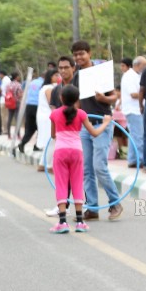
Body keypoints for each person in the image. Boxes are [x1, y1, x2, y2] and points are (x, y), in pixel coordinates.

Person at [49, 84, 112, 234]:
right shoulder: (82, 114)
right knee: (77, 183)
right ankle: (80, 222)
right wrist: (105, 123)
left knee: (62, 185)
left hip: (60, 152)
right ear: (78, 99)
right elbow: (95, 133)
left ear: (61, 98)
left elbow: (53, 135)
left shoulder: (54, 114)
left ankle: (62, 222)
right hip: (77, 152)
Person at [71, 42, 123, 221]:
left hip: (102, 122)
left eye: (82, 54)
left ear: (89, 53)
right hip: (85, 125)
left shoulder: (100, 72)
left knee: (99, 166)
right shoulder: (78, 76)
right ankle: (92, 207)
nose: (79, 57)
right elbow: (76, 101)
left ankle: (115, 203)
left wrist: (104, 98)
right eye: (76, 55)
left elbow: (115, 96)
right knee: (86, 168)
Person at [120, 56, 146, 168]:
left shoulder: (137, 75)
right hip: (133, 109)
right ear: (137, 65)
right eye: (144, 66)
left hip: (136, 109)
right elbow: (133, 94)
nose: (145, 68)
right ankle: (140, 159)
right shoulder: (129, 76)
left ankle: (132, 159)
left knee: (134, 136)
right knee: (139, 136)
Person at [16, 68, 48, 155]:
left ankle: (23, 143)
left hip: (29, 105)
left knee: (30, 128)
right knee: (40, 127)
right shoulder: (44, 84)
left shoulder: (32, 82)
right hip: (37, 106)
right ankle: (37, 145)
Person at [35, 68, 57, 170]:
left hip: (44, 116)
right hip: (48, 116)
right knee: (51, 140)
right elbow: (51, 104)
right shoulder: (49, 88)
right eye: (56, 75)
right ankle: (49, 165)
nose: (58, 77)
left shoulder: (45, 87)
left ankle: (42, 163)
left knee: (49, 140)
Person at [4, 72, 22, 140]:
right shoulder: (18, 85)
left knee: (9, 118)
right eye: (18, 76)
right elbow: (20, 94)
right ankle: (18, 135)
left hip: (9, 103)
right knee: (17, 119)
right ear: (16, 77)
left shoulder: (8, 85)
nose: (19, 77)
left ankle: (9, 135)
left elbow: (6, 93)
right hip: (16, 102)